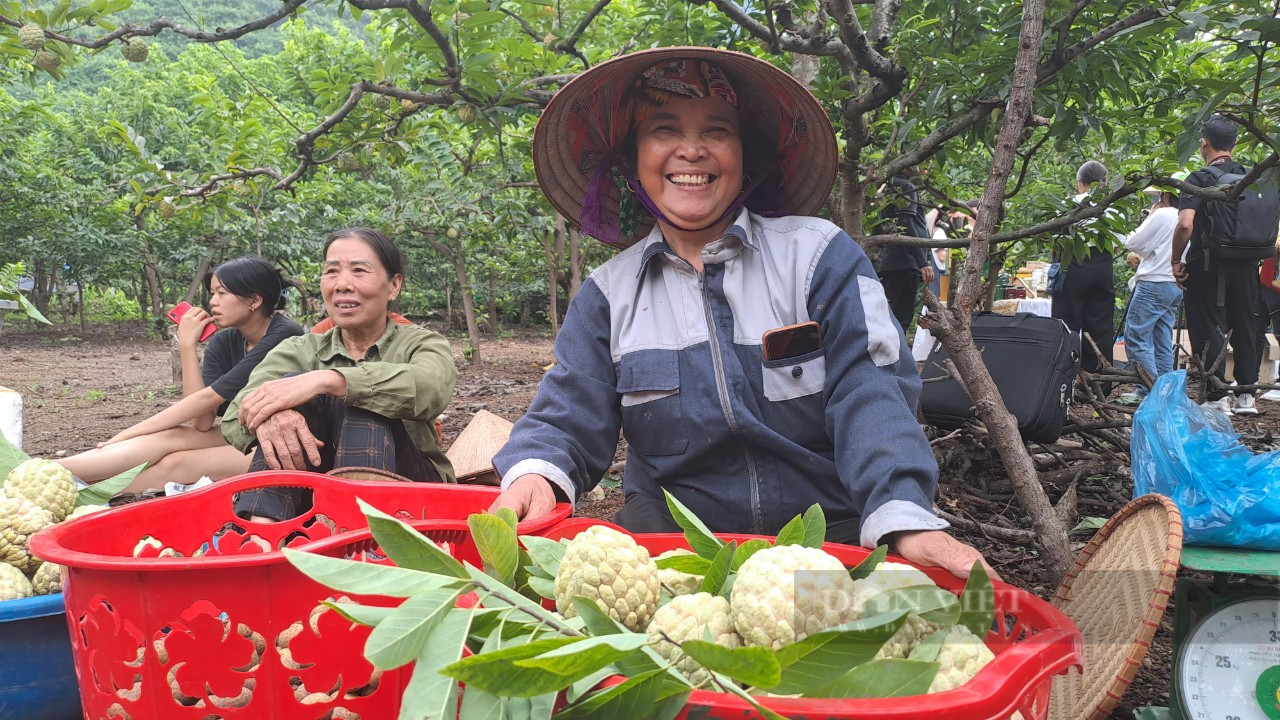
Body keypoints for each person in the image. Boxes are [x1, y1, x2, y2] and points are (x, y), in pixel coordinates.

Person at [490, 47, 992, 579]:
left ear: (744, 153)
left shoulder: (819, 256)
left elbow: (870, 389)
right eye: (663, 129)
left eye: (717, 130)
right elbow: (567, 411)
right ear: (632, 158)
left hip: (827, 542)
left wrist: (901, 514)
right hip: (670, 554)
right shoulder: (609, 294)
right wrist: (535, 474)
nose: (691, 150)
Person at [221, 228, 458, 520]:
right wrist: (271, 417)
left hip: (412, 492)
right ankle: (263, 536)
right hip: (312, 497)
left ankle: (356, 538)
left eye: (359, 270)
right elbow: (235, 415)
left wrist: (330, 380)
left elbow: (431, 388)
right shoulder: (299, 349)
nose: (342, 284)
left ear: (394, 285)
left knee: (357, 396)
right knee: (284, 397)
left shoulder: (421, 342)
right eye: (332, 271)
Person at [57, 257, 304, 493]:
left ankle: (77, 492)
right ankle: (46, 470)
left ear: (254, 300)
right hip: (245, 434)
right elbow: (202, 422)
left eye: (222, 293)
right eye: (212, 294)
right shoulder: (226, 341)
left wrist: (125, 434)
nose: (212, 303)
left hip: (285, 443)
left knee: (175, 463)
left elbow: (208, 399)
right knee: (171, 437)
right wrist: (187, 346)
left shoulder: (284, 334)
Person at [1171, 115, 1262, 416]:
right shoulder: (1252, 177)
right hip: (1247, 263)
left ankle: (1216, 394)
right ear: (1235, 143)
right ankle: (1247, 394)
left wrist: (1175, 260)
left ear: (1204, 143)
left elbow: (1185, 224)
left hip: (1207, 264)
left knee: (1207, 323)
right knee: (1246, 323)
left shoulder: (1199, 179)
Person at [1051, 160, 1118, 375]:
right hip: (1103, 268)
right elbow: (1119, 243)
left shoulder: (1068, 205)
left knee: (1066, 324)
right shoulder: (1113, 207)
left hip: (1073, 266)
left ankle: (1064, 378)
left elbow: (1055, 238)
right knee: (1100, 326)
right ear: (1104, 182)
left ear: (1080, 182)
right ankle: (1098, 379)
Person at [1120, 189, 1182, 399]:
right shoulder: (1188, 215)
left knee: (1136, 336)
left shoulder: (1165, 214)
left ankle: (1150, 390)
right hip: (1174, 283)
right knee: (1161, 338)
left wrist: (1151, 217)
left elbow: (1132, 242)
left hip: (1153, 283)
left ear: (1165, 196)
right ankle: (1165, 392)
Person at [876, 171, 934, 331]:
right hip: (905, 262)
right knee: (900, 319)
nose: (926, 171)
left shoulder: (886, 189)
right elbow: (905, 223)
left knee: (893, 316)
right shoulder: (905, 187)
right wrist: (922, 262)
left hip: (894, 262)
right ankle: (897, 356)